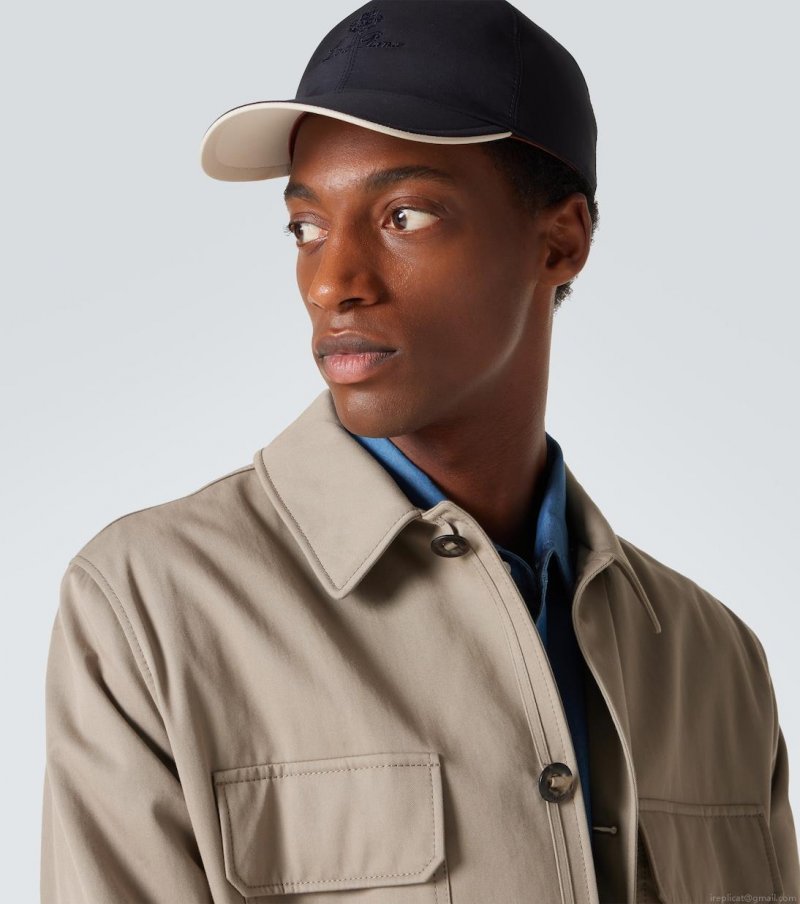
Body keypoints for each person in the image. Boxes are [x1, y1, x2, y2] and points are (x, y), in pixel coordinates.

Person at [41, 2, 799, 902]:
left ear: (560, 241)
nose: (332, 282)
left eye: (404, 215)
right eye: (305, 227)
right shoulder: (151, 607)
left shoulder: (715, 663)